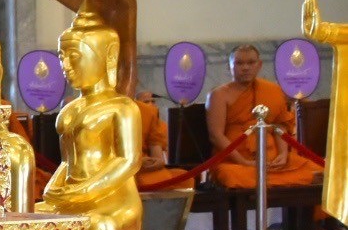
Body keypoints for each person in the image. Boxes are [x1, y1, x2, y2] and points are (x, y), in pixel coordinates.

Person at [35, 6, 142, 230]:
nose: (66, 66)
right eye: (62, 57)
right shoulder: (69, 110)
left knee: (102, 228)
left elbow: (128, 162)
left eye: (75, 57)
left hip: (112, 201)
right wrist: (53, 189)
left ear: (107, 57)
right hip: (73, 198)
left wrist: (86, 191)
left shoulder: (122, 107)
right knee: (24, 215)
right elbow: (66, 162)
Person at [207, 45, 320, 190]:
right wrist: (244, 162)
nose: (245, 68)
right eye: (239, 63)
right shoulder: (219, 95)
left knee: (319, 170)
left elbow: (280, 124)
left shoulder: (272, 90)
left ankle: (294, 178)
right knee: (229, 175)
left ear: (259, 65)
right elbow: (216, 135)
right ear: (229, 66)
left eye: (251, 62)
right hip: (235, 160)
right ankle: (297, 178)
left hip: (272, 158)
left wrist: (283, 154)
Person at [133, 93, 179, 191]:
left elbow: (158, 156)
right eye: (147, 101)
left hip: (147, 166)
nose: (150, 104)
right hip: (125, 169)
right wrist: (136, 163)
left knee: (185, 178)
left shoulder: (149, 112)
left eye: (153, 101)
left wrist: (157, 162)